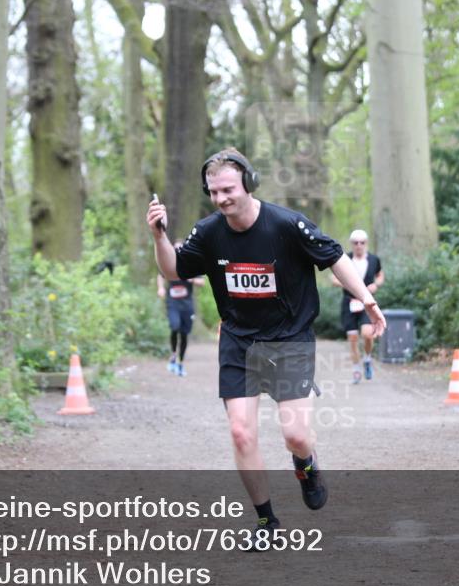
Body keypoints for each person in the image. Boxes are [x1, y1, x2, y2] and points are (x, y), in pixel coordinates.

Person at [146, 148, 385, 549]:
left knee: (295, 435)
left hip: (290, 340)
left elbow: (335, 259)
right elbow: (173, 269)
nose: (221, 199)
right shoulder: (208, 233)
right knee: (241, 433)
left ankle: (306, 466)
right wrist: (159, 236)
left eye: (228, 190)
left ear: (248, 183)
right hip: (239, 342)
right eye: (213, 192)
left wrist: (368, 300)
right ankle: (266, 523)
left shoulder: (287, 224)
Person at [330, 229, 384, 384]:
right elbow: (334, 278)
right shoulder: (344, 259)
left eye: (362, 242)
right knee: (353, 338)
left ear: (366, 243)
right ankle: (356, 369)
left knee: (367, 334)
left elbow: (380, 275)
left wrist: (376, 284)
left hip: (368, 303)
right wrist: (348, 284)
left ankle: (367, 358)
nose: (359, 245)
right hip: (349, 302)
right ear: (351, 244)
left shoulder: (374, 260)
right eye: (355, 243)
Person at [156, 241, 205, 377]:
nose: (177, 251)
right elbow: (160, 275)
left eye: (180, 249)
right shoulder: (169, 263)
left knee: (184, 334)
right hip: (173, 303)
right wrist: (160, 288)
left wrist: (192, 280)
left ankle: (180, 363)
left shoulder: (191, 264)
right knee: (174, 326)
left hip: (187, 305)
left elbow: (202, 282)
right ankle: (173, 354)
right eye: (175, 249)